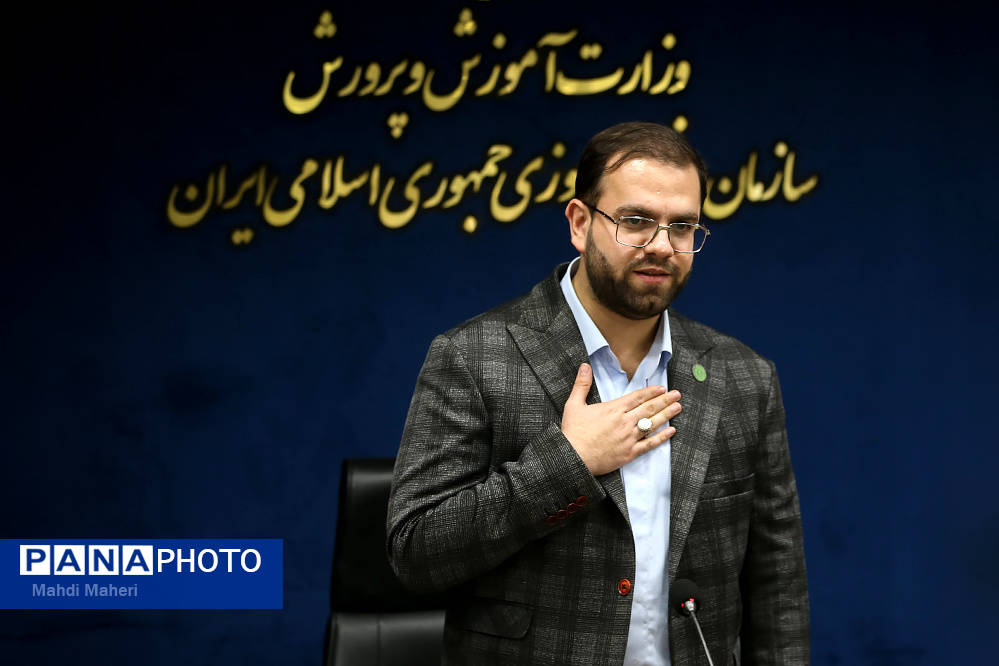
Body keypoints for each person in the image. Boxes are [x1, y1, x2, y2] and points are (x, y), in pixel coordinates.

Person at [387, 121, 809, 665]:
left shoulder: (744, 376)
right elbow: (415, 553)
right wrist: (567, 463)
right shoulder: (474, 356)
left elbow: (778, 586)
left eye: (682, 227)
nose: (662, 246)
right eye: (636, 221)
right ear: (580, 223)